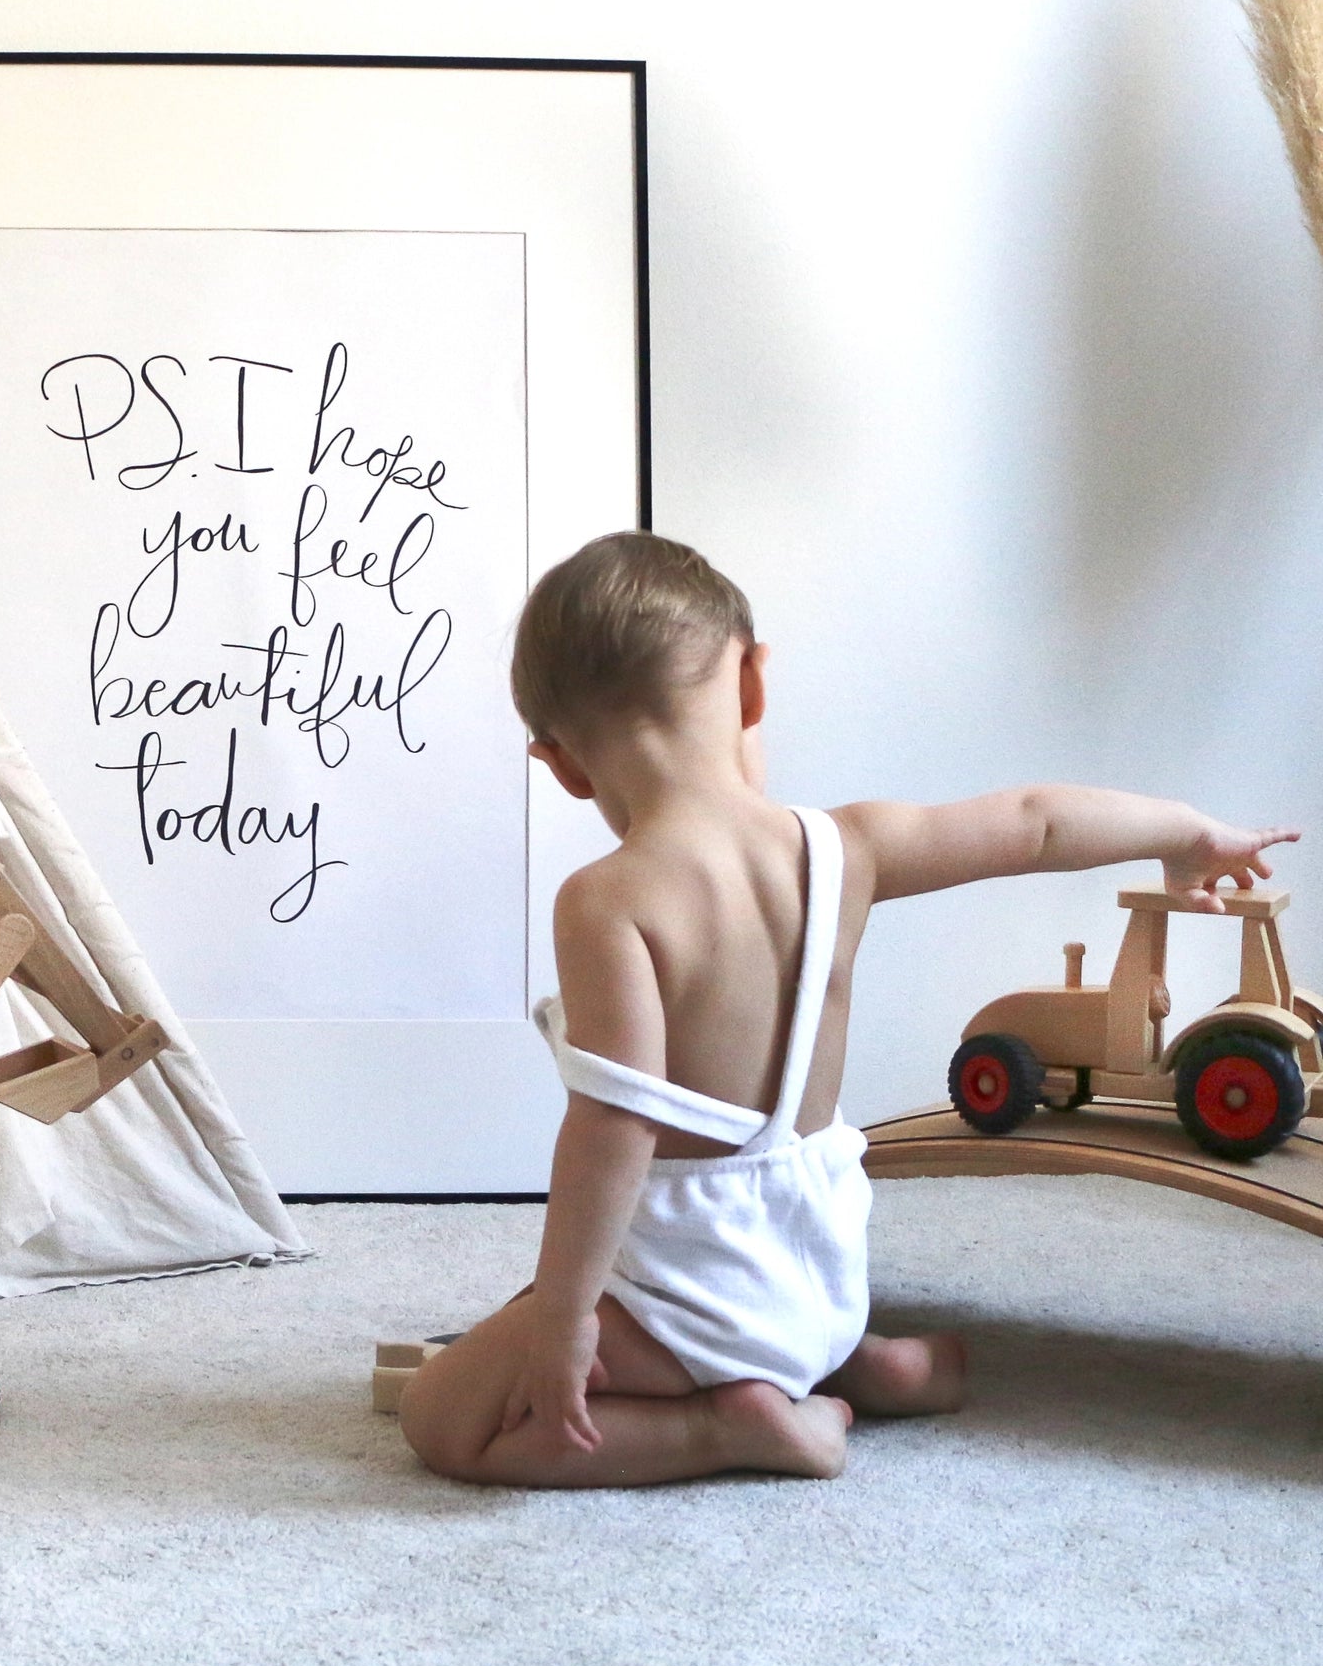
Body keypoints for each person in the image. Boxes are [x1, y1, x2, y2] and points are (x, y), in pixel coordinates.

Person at [396, 532, 1299, 1488]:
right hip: (822, 1273)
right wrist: (1187, 831)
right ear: (752, 686)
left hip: (704, 1300)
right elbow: (1036, 819)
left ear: (561, 764)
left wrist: (567, 1318)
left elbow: (614, 1128)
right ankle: (862, 1363)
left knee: (442, 1415)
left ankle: (733, 1426)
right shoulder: (848, 849)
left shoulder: (608, 899)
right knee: (603, 1298)